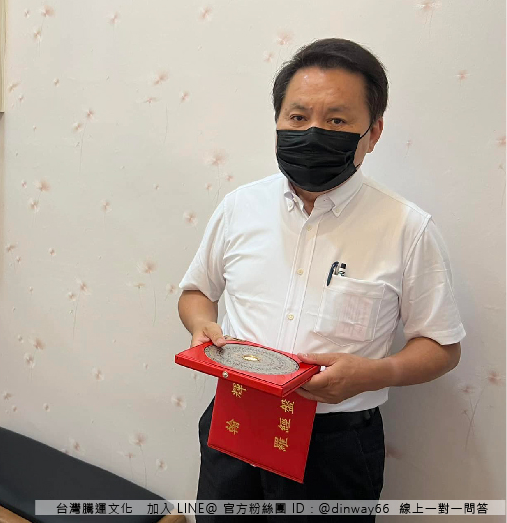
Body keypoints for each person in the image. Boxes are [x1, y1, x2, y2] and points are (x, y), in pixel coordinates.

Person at [177, 38, 464, 521]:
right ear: (277, 123)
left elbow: (442, 347)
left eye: (336, 120)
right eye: (297, 117)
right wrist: (200, 324)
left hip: (334, 445)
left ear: (373, 132)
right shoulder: (240, 206)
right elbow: (196, 292)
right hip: (236, 416)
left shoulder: (407, 228)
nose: (313, 132)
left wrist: (375, 373)